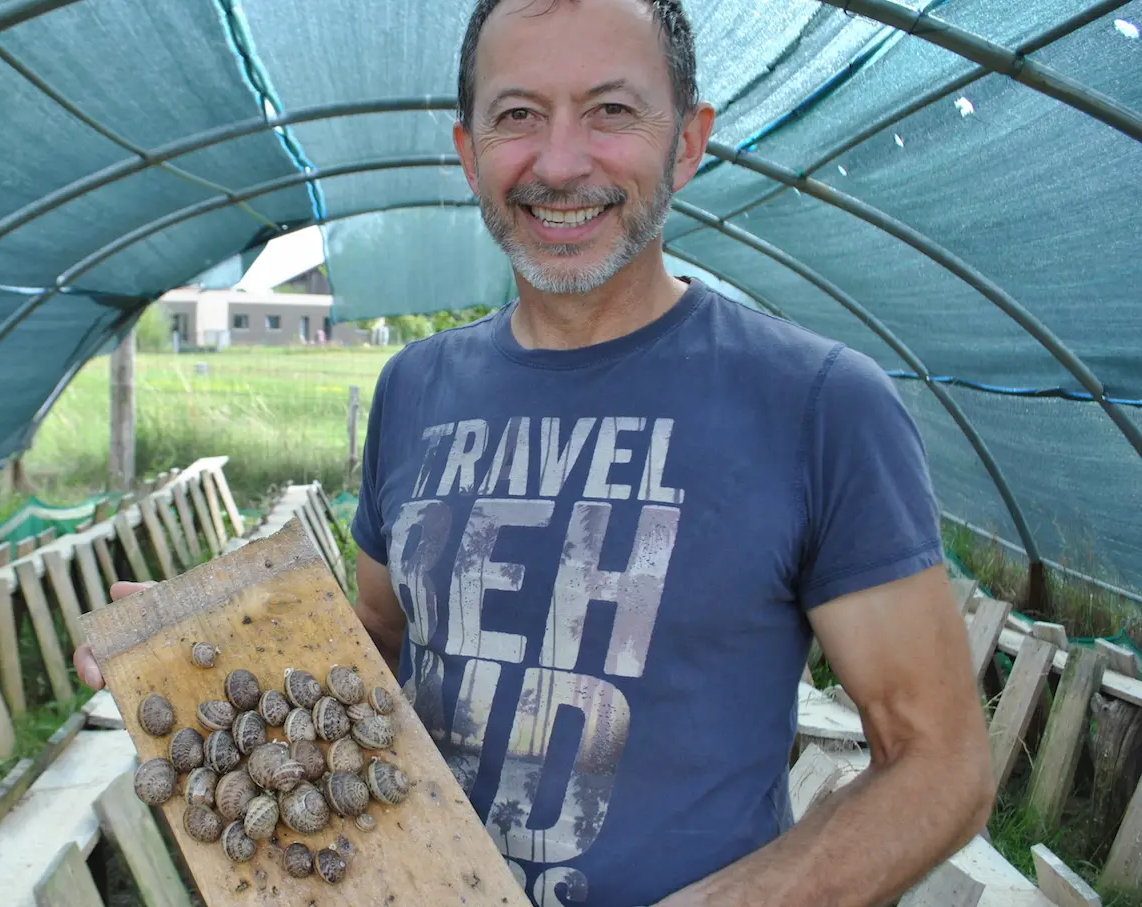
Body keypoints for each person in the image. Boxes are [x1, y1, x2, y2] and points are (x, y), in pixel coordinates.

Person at [75, 0, 994, 903]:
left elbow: (939, 761)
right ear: (469, 150)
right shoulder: (413, 387)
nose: (559, 163)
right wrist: (217, 641)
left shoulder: (821, 405)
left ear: (686, 139)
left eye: (611, 111)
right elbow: (384, 639)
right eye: (517, 115)